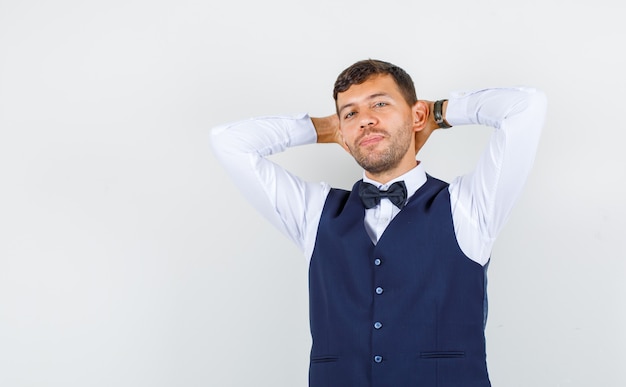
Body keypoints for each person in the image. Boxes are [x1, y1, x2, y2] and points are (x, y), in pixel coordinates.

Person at [210, 59, 547, 387]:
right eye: (351, 113)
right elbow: (229, 142)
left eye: (380, 104)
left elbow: (525, 106)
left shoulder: (469, 206)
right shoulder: (312, 213)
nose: (365, 121)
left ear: (416, 115)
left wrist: (439, 113)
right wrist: (325, 128)